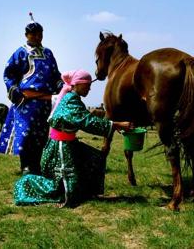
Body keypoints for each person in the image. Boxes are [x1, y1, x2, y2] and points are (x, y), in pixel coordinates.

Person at [14, 69, 133, 207]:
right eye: (86, 84)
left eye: (89, 84)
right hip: (61, 147)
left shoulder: (73, 99)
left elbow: (86, 119)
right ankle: (27, 185)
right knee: (61, 188)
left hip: (68, 143)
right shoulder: (71, 100)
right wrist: (116, 124)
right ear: (76, 84)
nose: (89, 87)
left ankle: (87, 191)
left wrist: (114, 126)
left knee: (95, 158)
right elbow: (87, 121)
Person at [0, 13, 63, 175]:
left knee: (42, 134)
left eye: (40, 33)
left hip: (46, 101)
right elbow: (9, 73)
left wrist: (61, 85)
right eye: (33, 33)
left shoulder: (48, 53)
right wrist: (13, 90)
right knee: (26, 133)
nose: (37, 36)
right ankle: (26, 165)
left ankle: (37, 165)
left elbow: (55, 74)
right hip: (26, 101)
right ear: (26, 35)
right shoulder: (20, 53)